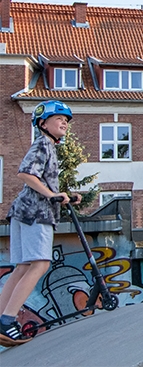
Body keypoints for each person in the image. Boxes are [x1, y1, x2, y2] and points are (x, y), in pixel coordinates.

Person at [0, 100, 81, 346]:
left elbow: (40, 181)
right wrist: (50, 195)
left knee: (23, 266)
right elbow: (26, 173)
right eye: (59, 119)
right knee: (41, 263)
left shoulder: (47, 146)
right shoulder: (43, 144)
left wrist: (62, 195)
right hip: (36, 213)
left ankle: (2, 317)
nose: (64, 123)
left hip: (23, 212)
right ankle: (7, 320)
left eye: (66, 121)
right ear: (42, 123)